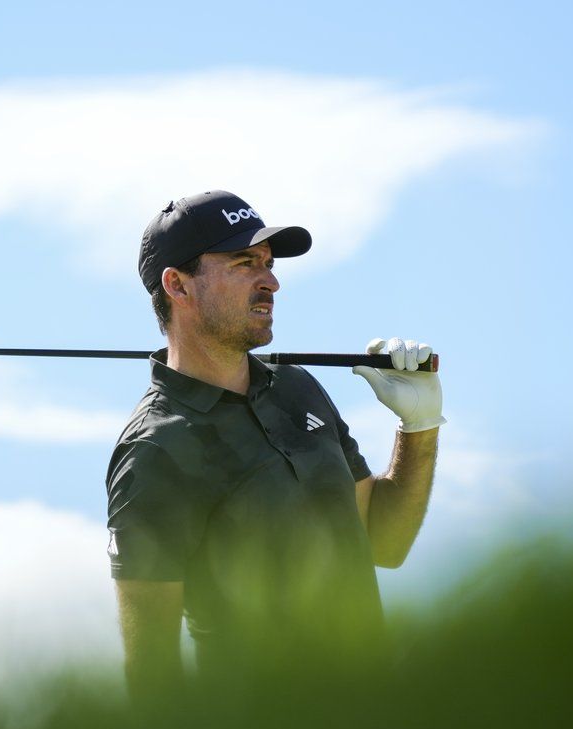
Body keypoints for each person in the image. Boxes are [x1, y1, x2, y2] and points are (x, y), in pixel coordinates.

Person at [106, 190, 443, 701]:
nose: (271, 282)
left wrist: (419, 428)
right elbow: (152, 676)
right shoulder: (155, 450)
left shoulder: (297, 388)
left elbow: (384, 543)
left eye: (267, 263)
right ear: (177, 285)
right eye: (245, 263)